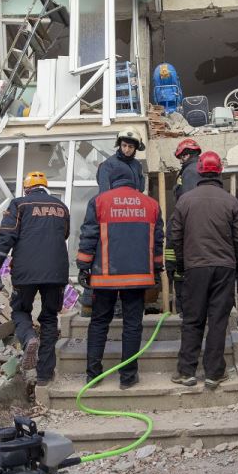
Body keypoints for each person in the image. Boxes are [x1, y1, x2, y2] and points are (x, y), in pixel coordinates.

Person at [76, 166, 164, 389]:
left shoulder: (99, 201)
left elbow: (88, 235)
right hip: (138, 277)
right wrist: (157, 268)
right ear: (134, 182)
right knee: (133, 325)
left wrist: (83, 266)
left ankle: (93, 375)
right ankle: (128, 377)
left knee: (98, 323)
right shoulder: (151, 205)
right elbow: (158, 241)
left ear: (112, 181)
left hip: (105, 277)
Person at [168, 151, 238, 390]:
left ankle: (186, 372)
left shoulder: (185, 200)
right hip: (224, 268)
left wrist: (181, 267)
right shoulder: (231, 201)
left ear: (200, 171)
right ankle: (214, 373)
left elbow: (176, 237)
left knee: (192, 320)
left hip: (195, 267)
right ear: (219, 171)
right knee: (218, 320)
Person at [0, 171, 69, 386]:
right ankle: (44, 375)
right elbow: (65, 234)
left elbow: (6, 236)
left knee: (20, 311)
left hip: (25, 273)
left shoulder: (19, 205)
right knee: (50, 318)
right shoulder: (61, 208)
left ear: (26, 189)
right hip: (56, 272)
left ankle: (29, 338)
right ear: (45, 187)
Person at [164, 138, 203, 309]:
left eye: (181, 157)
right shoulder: (195, 170)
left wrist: (173, 267)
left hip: (187, 254)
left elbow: (189, 200)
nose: (180, 161)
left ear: (187, 155)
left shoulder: (190, 171)